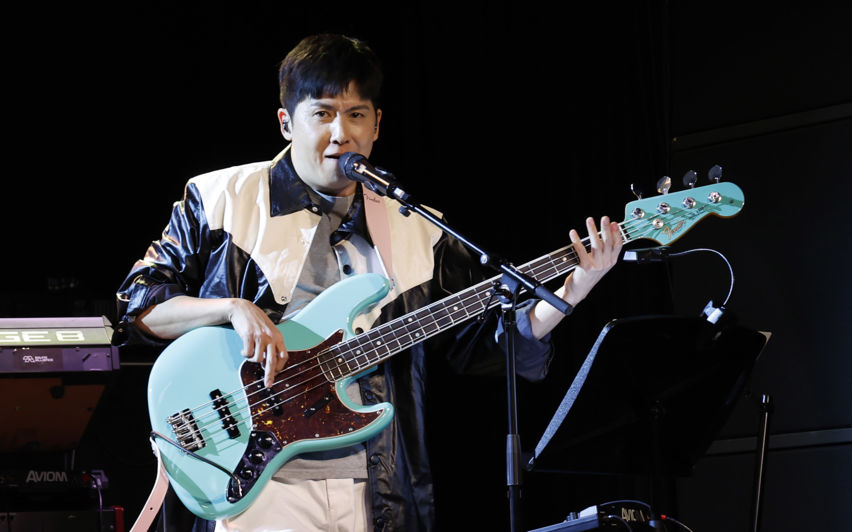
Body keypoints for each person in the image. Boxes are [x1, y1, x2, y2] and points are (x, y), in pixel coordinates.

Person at [114, 33, 623, 532]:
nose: (341, 133)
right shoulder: (221, 198)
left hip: (374, 485)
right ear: (286, 122)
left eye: (356, 114)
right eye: (322, 114)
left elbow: (485, 344)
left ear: (377, 124)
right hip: (260, 488)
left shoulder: (418, 228)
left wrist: (573, 290)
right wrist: (230, 308)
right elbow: (139, 305)